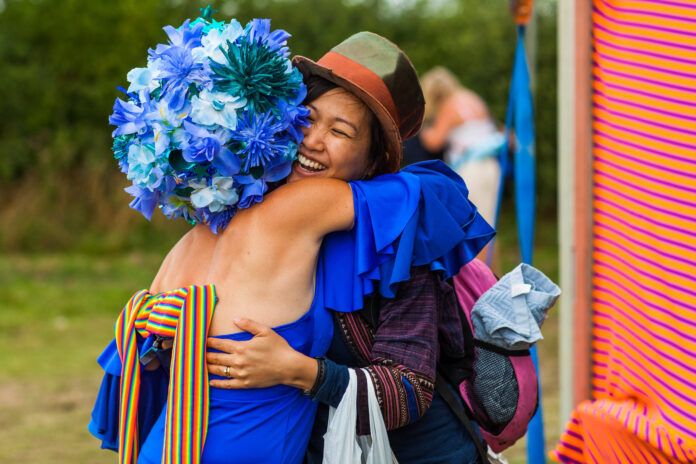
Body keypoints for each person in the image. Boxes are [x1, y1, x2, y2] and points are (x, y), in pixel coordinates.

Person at [205, 36, 495, 464]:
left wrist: (295, 370)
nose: (312, 141)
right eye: (307, 118)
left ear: (374, 162)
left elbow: (409, 389)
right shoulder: (255, 212)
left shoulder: (399, 243)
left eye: (340, 131)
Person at [419, 66, 504, 229]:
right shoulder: (471, 98)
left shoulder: (448, 104)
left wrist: (421, 131)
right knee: (489, 221)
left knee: (474, 225)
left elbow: (434, 141)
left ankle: (478, 256)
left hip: (471, 167)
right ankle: (491, 255)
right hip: (491, 165)